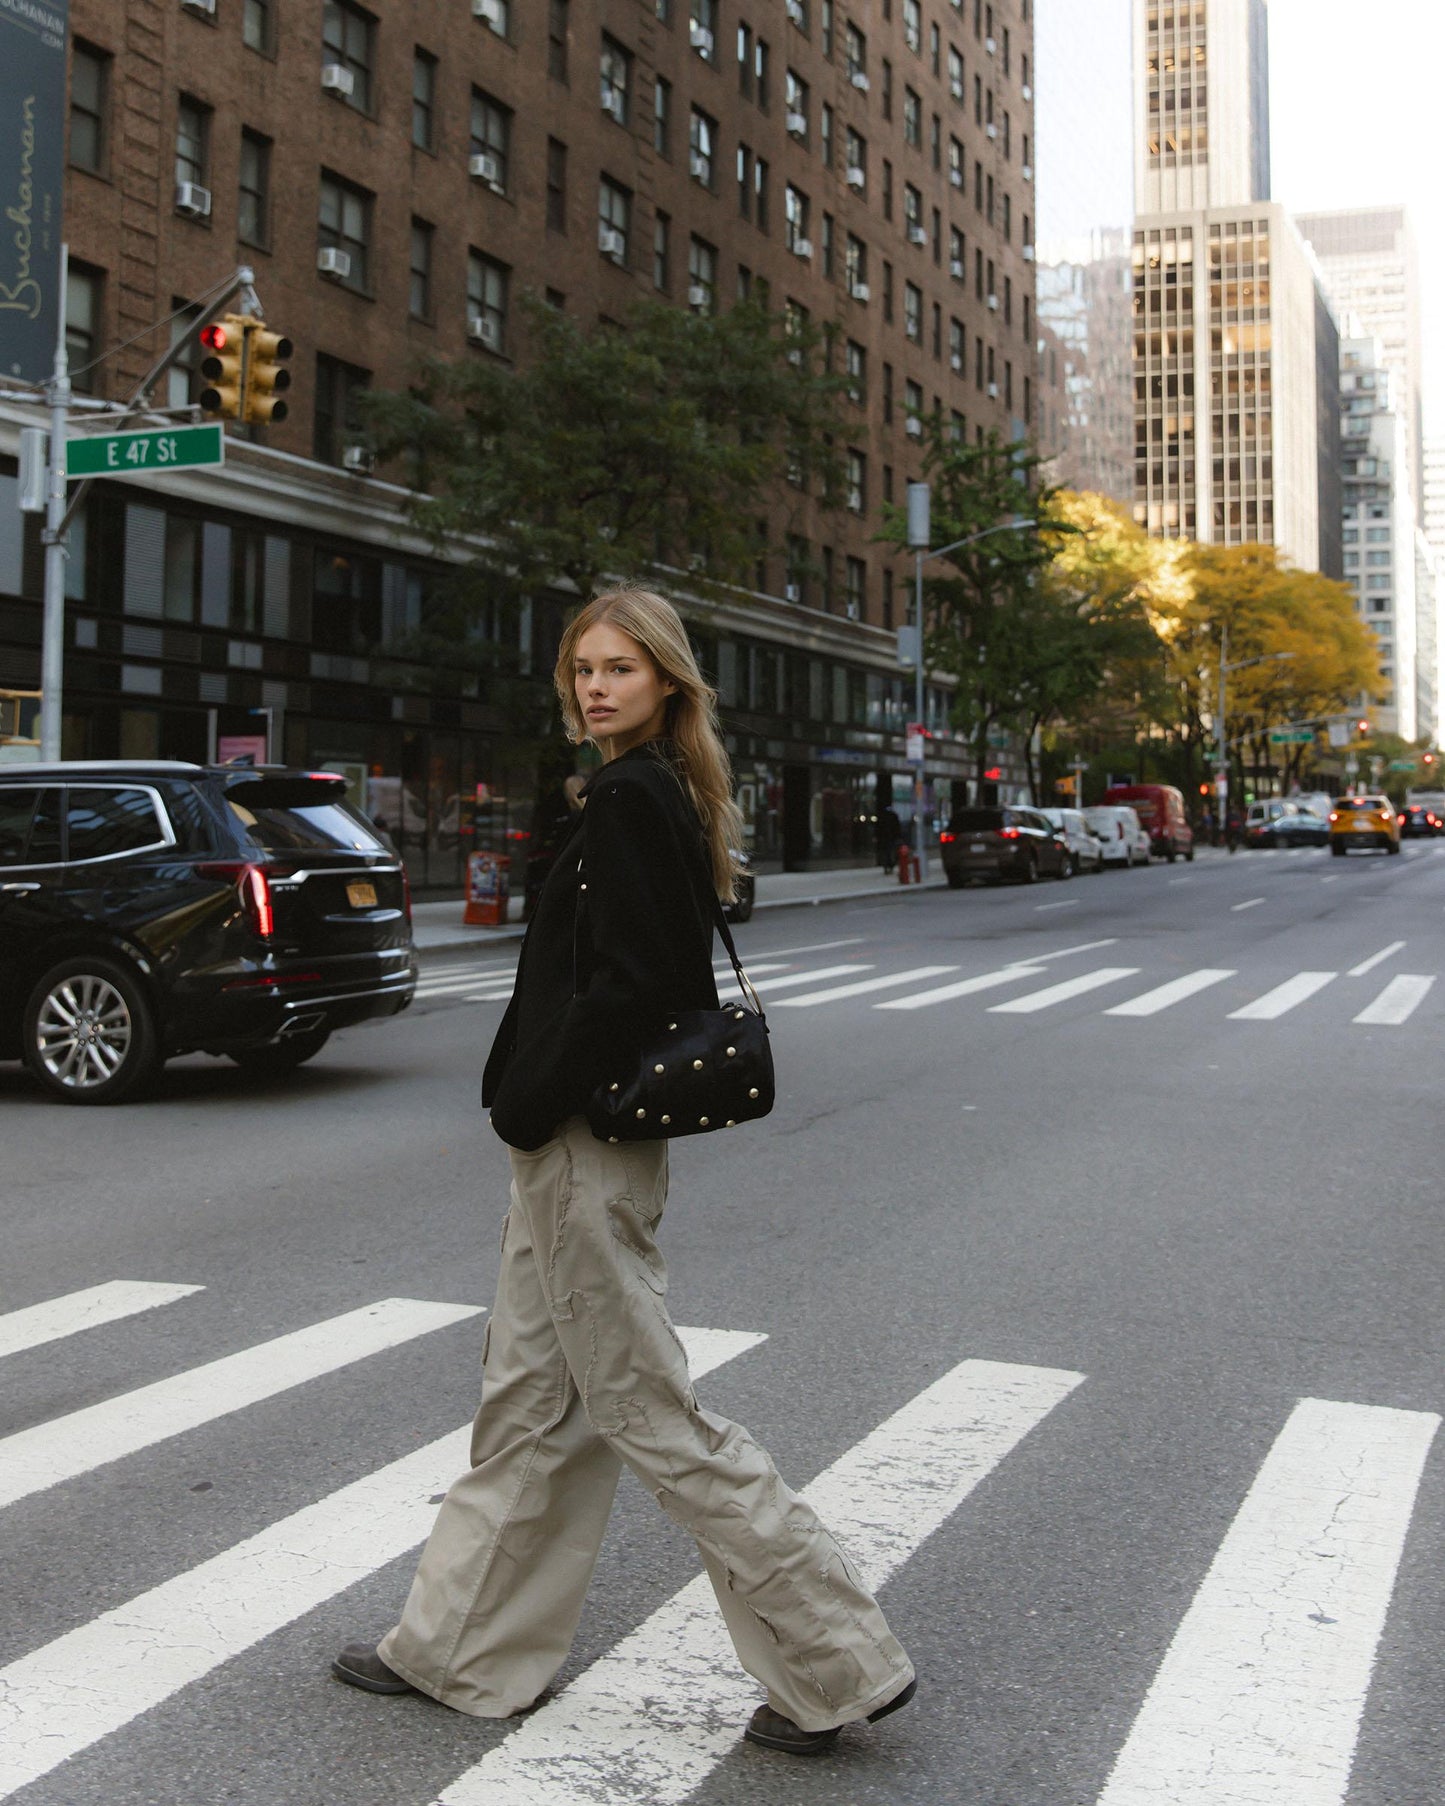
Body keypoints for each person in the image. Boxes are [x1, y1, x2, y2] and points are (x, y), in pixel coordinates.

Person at [333, 585, 915, 1756]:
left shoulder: (632, 794)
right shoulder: (649, 789)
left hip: (582, 1146)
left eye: (620, 668)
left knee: (644, 1410)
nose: (596, 686)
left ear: (665, 682)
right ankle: (458, 1650)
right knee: (531, 1403)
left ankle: (836, 1662)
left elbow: (637, 986)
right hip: (575, 1144)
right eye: (583, 670)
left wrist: (531, 1098)